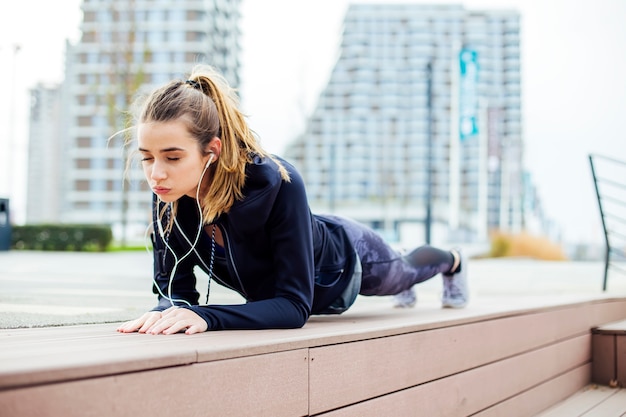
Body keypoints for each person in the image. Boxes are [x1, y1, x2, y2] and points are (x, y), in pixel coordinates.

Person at [116, 64, 468, 336]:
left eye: (172, 157)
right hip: (299, 250)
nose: (156, 173)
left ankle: (453, 261)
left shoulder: (277, 183)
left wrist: (206, 316)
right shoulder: (169, 194)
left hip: (344, 260)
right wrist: (165, 313)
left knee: (402, 274)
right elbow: (176, 294)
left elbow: (294, 307)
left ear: (212, 151)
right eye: (147, 157)